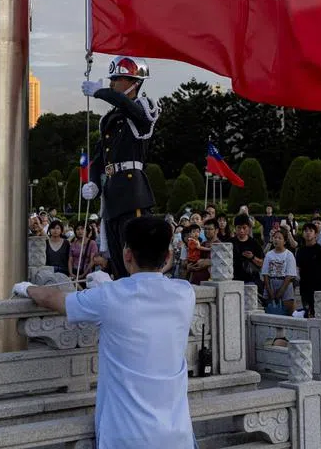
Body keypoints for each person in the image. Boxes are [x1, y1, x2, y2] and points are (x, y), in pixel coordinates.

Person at [14, 215, 195, 449]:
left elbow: (54, 298)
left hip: (125, 435)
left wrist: (26, 288)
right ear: (169, 256)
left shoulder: (111, 297)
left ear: (127, 254)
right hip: (177, 435)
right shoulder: (184, 293)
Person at [80, 57, 161, 280]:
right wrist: (94, 182)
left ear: (134, 82)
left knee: (134, 255)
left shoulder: (145, 107)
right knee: (117, 259)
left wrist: (101, 92)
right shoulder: (109, 118)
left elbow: (130, 108)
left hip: (131, 191)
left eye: (118, 78)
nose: (113, 82)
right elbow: (99, 156)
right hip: (112, 193)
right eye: (112, 79)